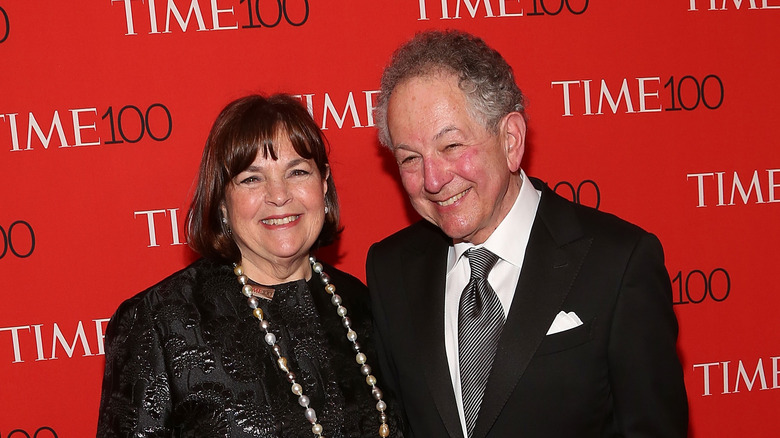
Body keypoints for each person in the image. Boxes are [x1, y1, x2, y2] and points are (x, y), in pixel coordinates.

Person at [367, 30, 688, 438]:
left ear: (511, 140)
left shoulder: (619, 264)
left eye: (450, 146)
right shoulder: (391, 270)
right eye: (410, 158)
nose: (432, 180)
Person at [97, 94, 400, 438]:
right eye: (251, 179)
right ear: (222, 201)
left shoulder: (361, 305)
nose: (279, 195)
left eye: (298, 171)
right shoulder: (160, 321)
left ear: (324, 184)